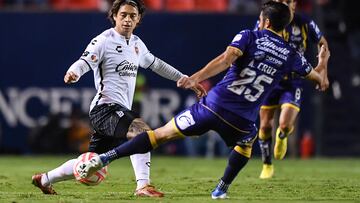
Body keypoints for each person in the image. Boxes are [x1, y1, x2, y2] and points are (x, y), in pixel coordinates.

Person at [77, 1, 329, 199]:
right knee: (245, 145)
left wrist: (193, 78)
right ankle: (221, 189)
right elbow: (318, 80)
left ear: (263, 21)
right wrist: (323, 63)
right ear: (285, 26)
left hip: (212, 106)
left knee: (158, 135)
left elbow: (225, 59)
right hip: (242, 120)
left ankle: (103, 158)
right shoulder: (292, 54)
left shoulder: (250, 36)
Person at [31, 0, 200, 197]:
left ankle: (44, 179)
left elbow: (156, 64)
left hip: (117, 109)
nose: (127, 19)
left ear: (138, 20)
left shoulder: (137, 44)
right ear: (114, 16)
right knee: (142, 132)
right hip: (105, 108)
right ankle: (143, 186)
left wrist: (183, 78)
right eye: (123, 15)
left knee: (91, 162)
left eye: (132, 16)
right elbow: (85, 60)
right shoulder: (104, 40)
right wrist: (73, 72)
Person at [255, 0, 330, 179]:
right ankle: (267, 165)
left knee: (285, 124)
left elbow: (323, 45)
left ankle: (282, 135)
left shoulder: (304, 23)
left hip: (293, 81)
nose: (283, 4)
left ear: (294, 4)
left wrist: (323, 71)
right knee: (265, 125)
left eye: (287, 1)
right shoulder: (266, 21)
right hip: (269, 79)